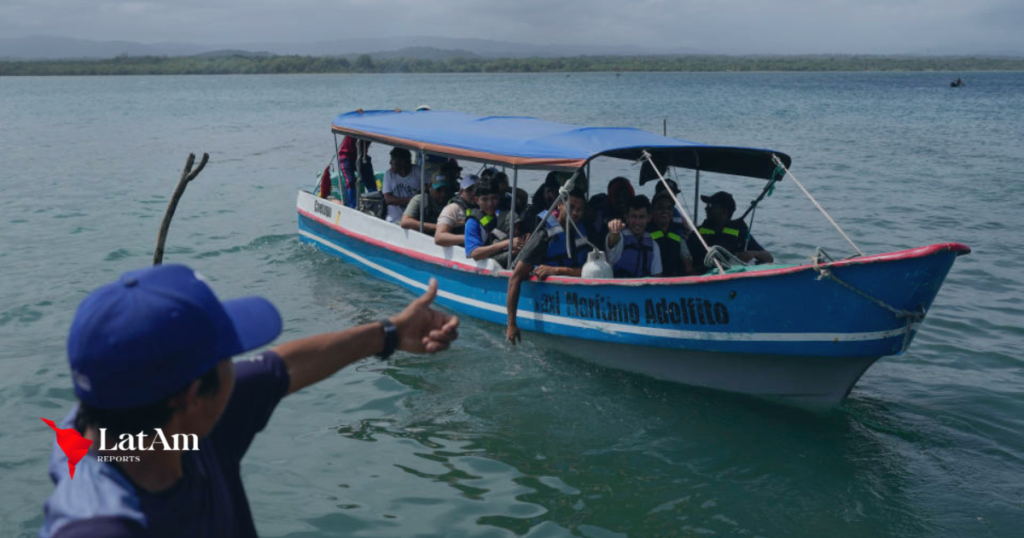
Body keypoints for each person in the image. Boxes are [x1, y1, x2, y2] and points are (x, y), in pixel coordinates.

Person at [39, 264, 458, 538]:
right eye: (227, 358)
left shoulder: (162, 432)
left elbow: (284, 368)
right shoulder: (101, 525)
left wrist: (389, 333)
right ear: (191, 397)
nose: (237, 367)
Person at [506, 189, 591, 343]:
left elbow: (588, 271)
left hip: (571, 297)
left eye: (580, 209)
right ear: (559, 205)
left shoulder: (581, 232)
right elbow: (515, 278)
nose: (575, 213)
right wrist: (512, 324)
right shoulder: (543, 236)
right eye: (571, 207)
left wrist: (557, 270)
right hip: (548, 298)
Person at [687, 191, 773, 274]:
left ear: (724, 211)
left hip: (727, 278)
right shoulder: (698, 232)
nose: (706, 208)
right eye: (707, 205)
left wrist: (753, 254)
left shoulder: (740, 234)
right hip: (700, 277)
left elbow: (769, 258)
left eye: (711, 206)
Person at [464, 176, 521, 268]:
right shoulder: (472, 223)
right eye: (485, 199)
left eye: (494, 198)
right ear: (476, 200)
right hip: (489, 264)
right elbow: (475, 254)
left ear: (499, 197)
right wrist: (508, 243)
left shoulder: (506, 214)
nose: (490, 204)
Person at [606, 195, 662, 278]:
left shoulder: (653, 245)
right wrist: (614, 230)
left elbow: (657, 276)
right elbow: (613, 240)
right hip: (618, 288)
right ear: (626, 217)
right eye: (634, 216)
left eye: (641, 217)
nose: (637, 222)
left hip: (644, 289)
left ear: (649, 218)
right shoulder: (619, 238)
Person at [649, 192, 694, 276]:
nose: (665, 211)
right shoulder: (645, 234)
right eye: (660, 208)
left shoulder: (678, 236)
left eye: (669, 208)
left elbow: (688, 267)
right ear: (652, 211)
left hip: (674, 282)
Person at [435, 175, 478, 247]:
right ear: (461, 191)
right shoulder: (452, 209)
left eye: (477, 190)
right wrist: (468, 238)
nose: (473, 193)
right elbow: (439, 237)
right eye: (469, 190)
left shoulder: (484, 208)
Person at [381, 147, 422, 223]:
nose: (390, 163)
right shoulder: (389, 174)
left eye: (392, 160)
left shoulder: (418, 172)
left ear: (402, 161)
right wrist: (413, 201)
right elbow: (388, 200)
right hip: (393, 219)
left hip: (413, 220)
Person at [336, 136, 375, 209]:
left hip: (362, 156)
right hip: (346, 155)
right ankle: (352, 207)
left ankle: (375, 205)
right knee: (350, 181)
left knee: (370, 182)